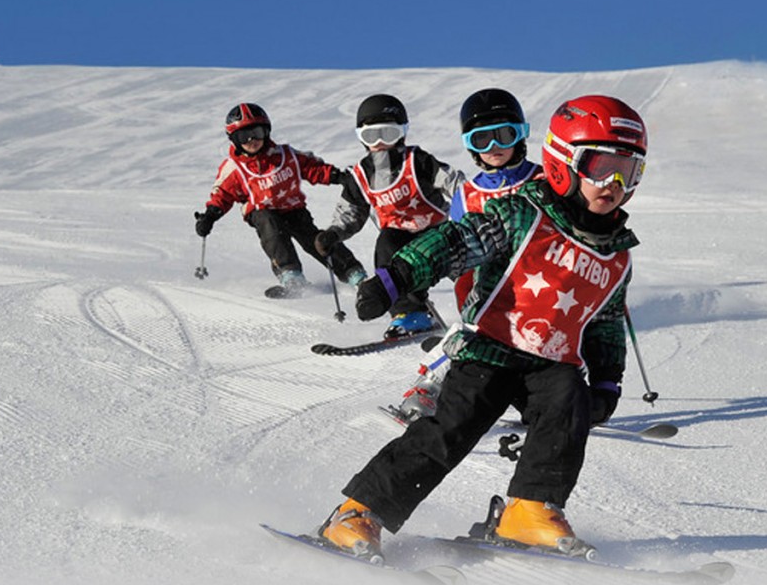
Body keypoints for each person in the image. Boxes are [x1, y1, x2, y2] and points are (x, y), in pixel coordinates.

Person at [316, 95, 649, 560]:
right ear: (561, 161)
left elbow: (605, 321)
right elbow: (456, 240)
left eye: (628, 170)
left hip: (551, 361)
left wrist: (608, 381)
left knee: (568, 399)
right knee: (448, 431)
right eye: (599, 166)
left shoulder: (617, 255)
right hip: (491, 347)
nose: (613, 182)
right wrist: (398, 277)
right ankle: (358, 512)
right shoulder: (522, 214)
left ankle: (529, 508)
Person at [390, 88, 542, 423]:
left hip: (541, 285)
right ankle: (432, 384)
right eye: (481, 140)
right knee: (478, 334)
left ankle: (541, 402)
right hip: (488, 292)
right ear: (469, 146)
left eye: (504, 135)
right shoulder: (469, 194)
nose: (494, 147)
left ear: (521, 134)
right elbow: (456, 244)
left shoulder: (544, 180)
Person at [313, 94, 464, 337]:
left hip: (437, 233)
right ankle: (408, 313)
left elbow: (454, 183)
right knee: (386, 246)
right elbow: (351, 211)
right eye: (372, 136)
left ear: (403, 133)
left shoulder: (418, 162)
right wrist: (333, 233)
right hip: (398, 236)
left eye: (389, 134)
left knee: (469, 264)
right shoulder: (360, 175)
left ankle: (486, 309)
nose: (381, 142)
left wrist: (471, 206)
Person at [194, 103, 366, 296]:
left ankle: (353, 273)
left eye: (257, 133)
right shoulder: (234, 168)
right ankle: (291, 275)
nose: (252, 140)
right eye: (244, 136)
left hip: (293, 209)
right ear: (234, 139)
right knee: (272, 229)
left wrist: (338, 177)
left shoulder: (286, 155)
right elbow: (223, 194)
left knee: (315, 239)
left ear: (266, 132)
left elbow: (312, 168)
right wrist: (210, 215)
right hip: (261, 211)